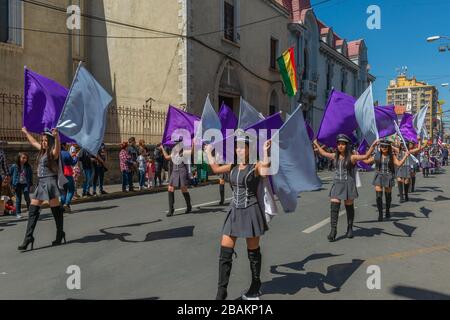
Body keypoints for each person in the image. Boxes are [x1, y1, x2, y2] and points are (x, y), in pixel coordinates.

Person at [205, 133, 272, 300]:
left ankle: (255, 284)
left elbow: (265, 171)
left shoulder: (255, 166)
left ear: (249, 149)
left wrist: (265, 151)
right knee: (225, 252)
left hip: (251, 210)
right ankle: (221, 293)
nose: (239, 149)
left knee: (253, 252)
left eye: (243, 147)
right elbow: (214, 169)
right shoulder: (232, 166)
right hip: (234, 211)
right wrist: (208, 152)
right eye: (237, 146)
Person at [314, 135, 378, 242]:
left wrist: (373, 145)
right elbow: (323, 153)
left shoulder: (352, 157)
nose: (340, 146)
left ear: (346, 146)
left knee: (349, 207)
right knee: (334, 206)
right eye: (339, 144)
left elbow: (366, 156)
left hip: (348, 184)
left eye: (343, 144)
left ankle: (350, 228)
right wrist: (316, 143)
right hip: (337, 184)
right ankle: (333, 231)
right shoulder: (335, 156)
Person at [18, 127, 66, 251]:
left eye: (45, 140)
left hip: (50, 182)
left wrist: (56, 137)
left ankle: (60, 233)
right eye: (42, 140)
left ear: (49, 141)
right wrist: (26, 132)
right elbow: (33, 142)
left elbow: (57, 149)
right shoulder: (42, 151)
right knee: (33, 209)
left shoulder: (52, 152)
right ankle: (28, 237)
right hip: (41, 183)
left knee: (56, 210)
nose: (43, 142)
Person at [362, 140, 410, 221]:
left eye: (385, 146)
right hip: (379, 176)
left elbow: (398, 164)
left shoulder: (392, 156)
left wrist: (405, 156)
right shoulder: (377, 155)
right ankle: (380, 214)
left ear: (388, 147)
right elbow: (366, 161)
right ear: (380, 147)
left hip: (388, 176)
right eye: (382, 146)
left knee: (388, 196)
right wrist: (356, 157)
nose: (384, 148)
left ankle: (387, 210)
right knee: (378, 196)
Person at [159, 139, 193, 217]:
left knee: (183, 188)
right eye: (175, 144)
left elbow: (192, 152)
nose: (176, 145)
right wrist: (162, 148)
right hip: (174, 171)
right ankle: (171, 210)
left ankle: (189, 206)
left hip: (182, 170)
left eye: (178, 144)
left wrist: (193, 143)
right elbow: (167, 157)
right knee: (170, 188)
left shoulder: (184, 152)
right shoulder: (173, 152)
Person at [10, 152, 33, 219]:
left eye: (25, 158)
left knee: (27, 197)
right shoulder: (14, 166)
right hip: (17, 184)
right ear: (19, 158)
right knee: (18, 199)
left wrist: (31, 184)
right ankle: (18, 213)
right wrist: (12, 184)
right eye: (23, 158)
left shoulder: (28, 166)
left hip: (25, 184)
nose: (24, 159)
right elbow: (10, 174)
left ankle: (30, 211)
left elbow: (30, 176)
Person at [60, 143, 78, 212]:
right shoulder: (66, 153)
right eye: (66, 145)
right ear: (63, 145)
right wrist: (76, 157)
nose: (67, 146)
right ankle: (67, 203)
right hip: (67, 172)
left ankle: (62, 205)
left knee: (63, 191)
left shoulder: (57, 153)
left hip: (60, 173)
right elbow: (73, 162)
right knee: (71, 189)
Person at [0, 143, 11, 214]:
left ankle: (1, 211)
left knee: (1, 194)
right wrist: (7, 174)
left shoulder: (1, 151)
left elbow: (4, 164)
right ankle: (1, 211)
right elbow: (4, 164)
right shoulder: (1, 151)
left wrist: (7, 174)